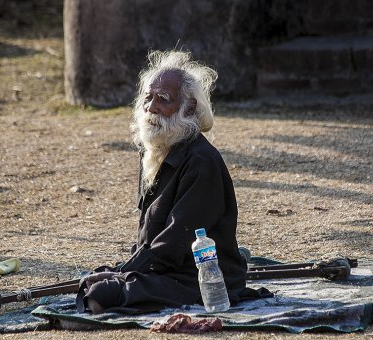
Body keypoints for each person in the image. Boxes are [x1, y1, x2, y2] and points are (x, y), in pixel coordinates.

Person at [76, 50, 251, 314]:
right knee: (94, 280)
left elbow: (174, 242)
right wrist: (124, 270)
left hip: (198, 276)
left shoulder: (202, 162)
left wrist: (125, 273)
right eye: (148, 98)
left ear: (188, 107)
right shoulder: (155, 150)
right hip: (163, 269)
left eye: (163, 99)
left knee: (104, 293)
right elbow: (147, 233)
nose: (151, 107)